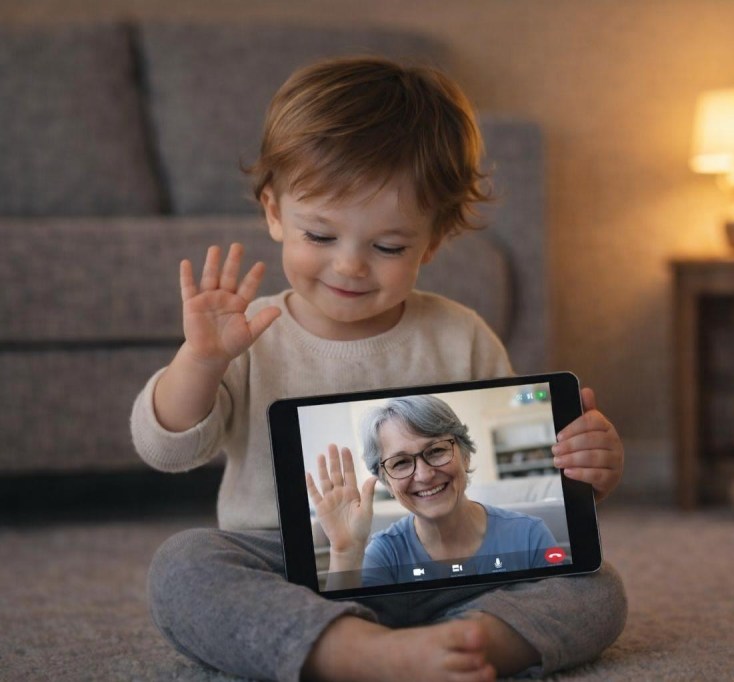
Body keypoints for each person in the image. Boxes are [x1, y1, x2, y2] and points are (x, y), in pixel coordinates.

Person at [132, 56, 627, 682]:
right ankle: (362, 654)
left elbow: (543, 491)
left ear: (434, 241)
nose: (349, 267)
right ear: (274, 211)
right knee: (185, 563)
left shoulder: (461, 333)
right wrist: (200, 360)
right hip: (288, 567)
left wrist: (585, 475)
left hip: (451, 579)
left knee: (596, 586)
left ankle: (457, 645)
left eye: (388, 247)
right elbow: (165, 447)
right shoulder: (249, 335)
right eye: (320, 235)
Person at [309, 395, 560, 589]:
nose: (424, 474)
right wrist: (345, 552)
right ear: (386, 482)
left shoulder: (529, 535)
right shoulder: (386, 554)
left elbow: (562, 610)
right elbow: (352, 641)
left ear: (465, 455)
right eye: (401, 463)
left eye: (437, 451)